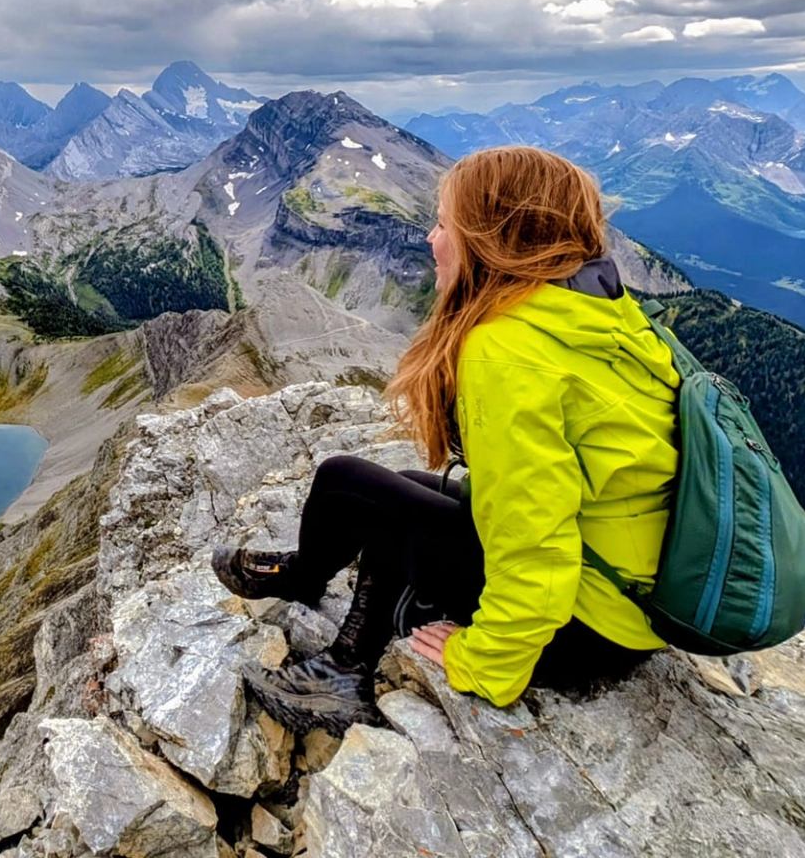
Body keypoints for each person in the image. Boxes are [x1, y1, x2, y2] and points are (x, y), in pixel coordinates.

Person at [212, 145, 683, 735]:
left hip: (582, 630)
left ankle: (342, 668)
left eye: (444, 224)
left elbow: (536, 544)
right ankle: (319, 593)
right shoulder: (601, 314)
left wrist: (483, 660)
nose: (431, 240)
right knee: (401, 488)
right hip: (630, 605)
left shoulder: (509, 352)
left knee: (346, 481)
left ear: (492, 238)